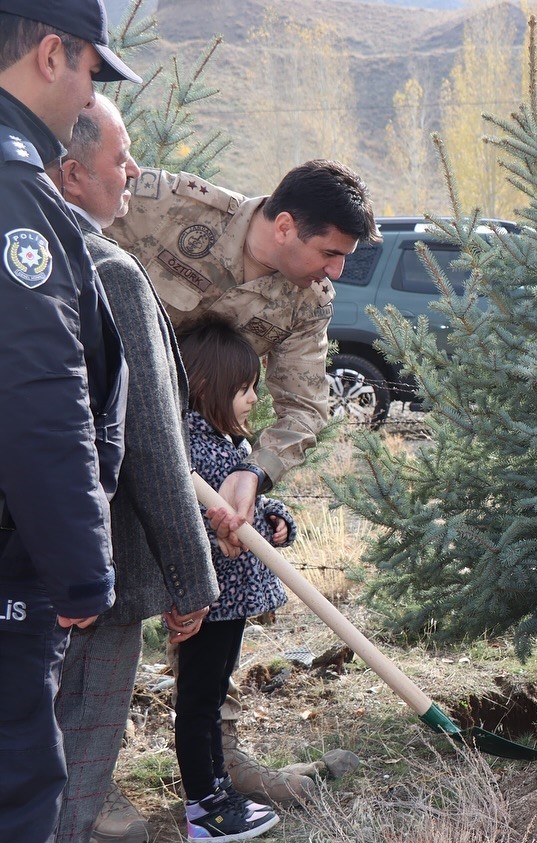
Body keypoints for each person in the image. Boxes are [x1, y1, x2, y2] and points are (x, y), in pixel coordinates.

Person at [108, 158, 378, 804]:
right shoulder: (162, 204)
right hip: (99, 437)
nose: (337, 270)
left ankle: (218, 759)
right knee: (103, 605)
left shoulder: (307, 300)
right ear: (284, 226)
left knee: (218, 606)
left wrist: (251, 474)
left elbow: (305, 408)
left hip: (200, 463)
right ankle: (88, 774)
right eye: (330, 252)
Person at [29, 94, 221, 843]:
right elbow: (151, 440)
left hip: (22, 560)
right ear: (73, 172)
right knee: (75, 753)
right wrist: (191, 577)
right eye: (121, 156)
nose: (133, 172)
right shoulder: (104, 270)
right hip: (94, 570)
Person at [0, 3, 140, 843]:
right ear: (53, 53)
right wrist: (84, 573)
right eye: (92, 71)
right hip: (11, 570)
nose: (89, 93)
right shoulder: (17, 198)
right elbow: (38, 397)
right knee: (14, 774)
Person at [175, 318, 294, 843]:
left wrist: (275, 517)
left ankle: (217, 787)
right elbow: (190, 516)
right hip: (210, 600)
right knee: (198, 701)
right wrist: (220, 528)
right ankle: (204, 805)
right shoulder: (189, 449)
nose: (253, 399)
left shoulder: (224, 443)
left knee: (212, 693)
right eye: (244, 388)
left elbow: (244, 506)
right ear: (205, 386)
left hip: (230, 602)